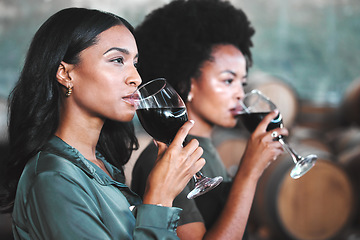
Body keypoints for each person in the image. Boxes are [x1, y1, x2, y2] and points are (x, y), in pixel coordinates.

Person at [0, 7, 206, 239]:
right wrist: (159, 198)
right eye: (118, 60)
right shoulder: (53, 178)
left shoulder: (104, 168)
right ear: (65, 74)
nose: (136, 78)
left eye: (134, 63)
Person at [131, 0, 288, 239]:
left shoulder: (206, 148)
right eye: (228, 80)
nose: (239, 93)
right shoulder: (164, 157)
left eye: (242, 83)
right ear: (187, 82)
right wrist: (249, 172)